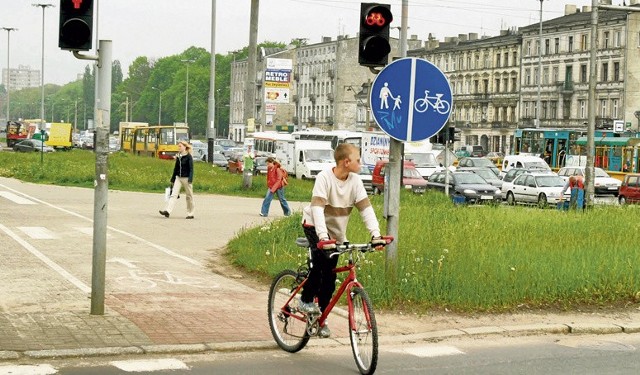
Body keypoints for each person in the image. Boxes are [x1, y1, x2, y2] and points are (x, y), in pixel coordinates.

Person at [298, 143, 385, 338]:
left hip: (336, 234)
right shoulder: (324, 178)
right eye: (358, 159)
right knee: (321, 265)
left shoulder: (355, 182)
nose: (361, 163)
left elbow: (366, 210)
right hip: (314, 226)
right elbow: (317, 210)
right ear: (346, 162)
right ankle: (305, 300)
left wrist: (376, 235)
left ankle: (321, 318)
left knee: (329, 278)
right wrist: (322, 237)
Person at [159, 141, 195, 219]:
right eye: (178, 146)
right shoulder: (179, 157)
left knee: (189, 196)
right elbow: (176, 168)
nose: (179, 148)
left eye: (180, 146)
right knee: (173, 195)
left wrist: (190, 178)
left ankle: (190, 213)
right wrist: (172, 179)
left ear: (185, 147)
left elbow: (191, 169)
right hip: (178, 178)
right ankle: (167, 211)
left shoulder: (189, 157)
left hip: (186, 178)